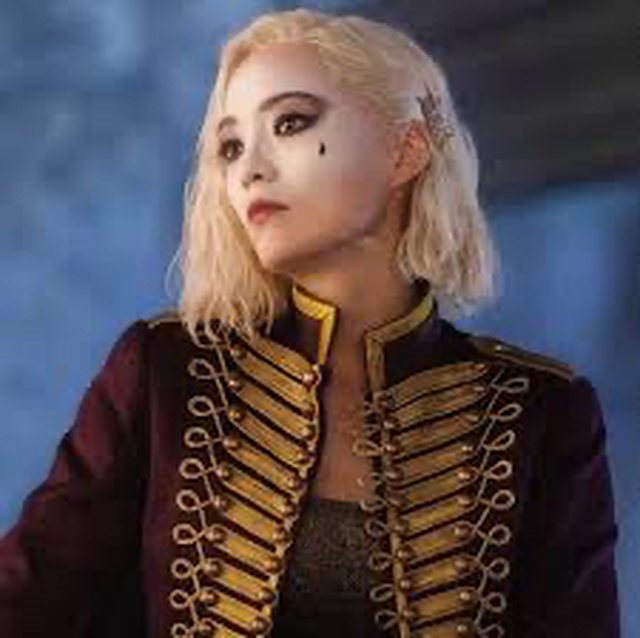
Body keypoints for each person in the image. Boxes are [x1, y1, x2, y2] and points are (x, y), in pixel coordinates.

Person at [0, 8, 620, 638]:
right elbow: (24, 600)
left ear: (404, 149)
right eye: (230, 147)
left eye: (291, 123)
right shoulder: (163, 373)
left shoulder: (542, 411)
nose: (248, 170)